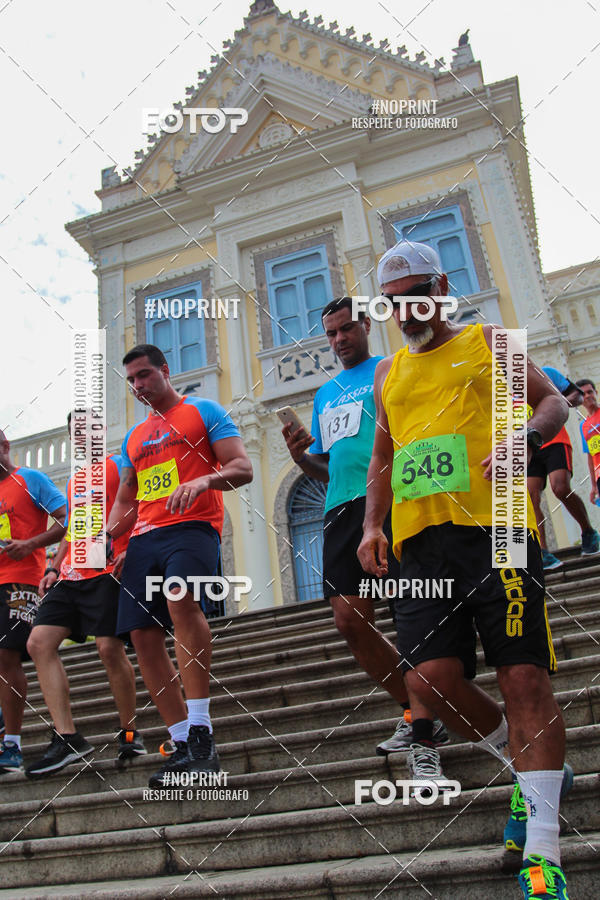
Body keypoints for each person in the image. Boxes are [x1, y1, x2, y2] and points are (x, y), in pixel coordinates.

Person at [358, 240, 572, 900]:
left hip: (500, 524)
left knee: (523, 674)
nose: (406, 310)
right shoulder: (388, 373)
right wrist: (370, 524)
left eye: (416, 295)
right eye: (393, 302)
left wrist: (523, 439)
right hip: (421, 544)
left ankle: (543, 850)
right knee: (431, 680)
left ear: (442, 287)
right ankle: (524, 758)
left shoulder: (489, 343)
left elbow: (553, 405)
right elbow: (384, 459)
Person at [282, 296, 450, 787]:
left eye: (345, 330)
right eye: (330, 334)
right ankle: (414, 708)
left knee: (407, 612)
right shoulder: (326, 393)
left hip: (396, 500)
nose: (338, 340)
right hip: (340, 510)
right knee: (348, 618)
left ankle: (422, 728)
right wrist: (299, 458)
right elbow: (325, 466)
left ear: (367, 326)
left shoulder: (393, 368)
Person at [107, 344, 253, 787]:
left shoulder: (203, 410)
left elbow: (242, 467)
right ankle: (182, 740)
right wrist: (111, 538)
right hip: (144, 540)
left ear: (165, 372)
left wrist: (205, 478)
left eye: (145, 375)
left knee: (181, 602)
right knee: (140, 635)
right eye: (131, 380)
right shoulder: (133, 438)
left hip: (193, 528)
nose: (138, 385)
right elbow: (127, 500)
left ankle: (203, 728)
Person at [25, 412, 145, 778]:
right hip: (69, 574)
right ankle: (68, 738)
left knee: (109, 649)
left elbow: (137, 506)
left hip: (106, 571)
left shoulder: (117, 465)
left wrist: (129, 548)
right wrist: (52, 566)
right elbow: (73, 528)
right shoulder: (77, 479)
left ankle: (129, 733)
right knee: (38, 643)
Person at [0, 429, 66, 774]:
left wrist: (30, 545)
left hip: (21, 581)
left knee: (6, 654)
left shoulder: (31, 480)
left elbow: (65, 519)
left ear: (5, 446)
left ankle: (12, 744)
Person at [526, 366, 599, 569]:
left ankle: (588, 532)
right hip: (528, 445)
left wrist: (554, 407)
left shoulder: (544, 371)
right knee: (530, 496)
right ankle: (542, 552)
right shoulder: (497, 380)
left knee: (560, 488)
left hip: (554, 438)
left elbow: (576, 394)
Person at [576, 378, 600, 507]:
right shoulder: (583, 426)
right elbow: (590, 456)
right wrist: (594, 485)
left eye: (590, 392)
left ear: (596, 392)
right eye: (583, 394)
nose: (588, 396)